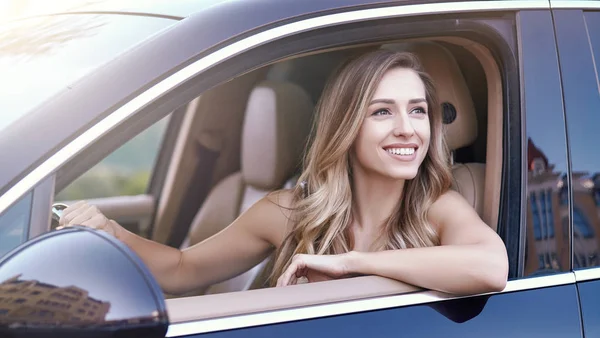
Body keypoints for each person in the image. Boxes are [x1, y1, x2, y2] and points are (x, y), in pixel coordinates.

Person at [59, 50, 509, 296]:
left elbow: (491, 267)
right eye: (381, 112)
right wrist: (112, 234)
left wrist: (351, 263)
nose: (407, 129)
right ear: (346, 127)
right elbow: (182, 268)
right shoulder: (288, 211)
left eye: (418, 110)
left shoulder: (437, 205)